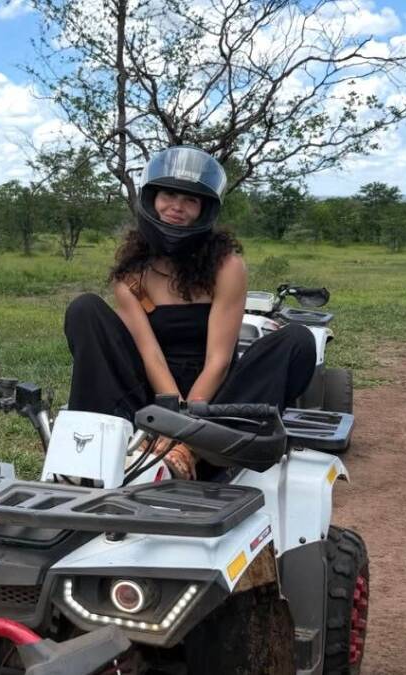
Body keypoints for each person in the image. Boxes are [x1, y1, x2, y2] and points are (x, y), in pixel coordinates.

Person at [63, 146, 316, 479]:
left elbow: (218, 360)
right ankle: (106, 437)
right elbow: (151, 355)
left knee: (298, 339)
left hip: (216, 403)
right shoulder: (132, 276)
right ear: (152, 198)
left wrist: (186, 428)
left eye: (190, 200)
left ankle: (192, 452)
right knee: (84, 309)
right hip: (151, 398)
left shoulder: (227, 267)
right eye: (168, 195)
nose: (177, 207)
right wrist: (168, 417)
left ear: (204, 209)